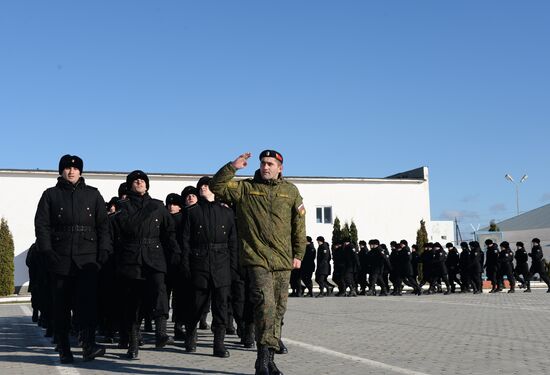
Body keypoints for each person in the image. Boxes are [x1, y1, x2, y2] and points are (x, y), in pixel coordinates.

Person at [210, 150, 306, 375]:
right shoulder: (245, 188)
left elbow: (299, 224)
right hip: (256, 258)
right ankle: (262, 362)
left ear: (280, 168)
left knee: (279, 311)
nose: (266, 167)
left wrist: (299, 254)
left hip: (283, 261)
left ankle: (268, 360)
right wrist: (232, 167)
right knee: (265, 306)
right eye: (263, 163)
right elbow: (216, 187)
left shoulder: (290, 191)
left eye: (271, 164)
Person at [35, 154, 112, 363]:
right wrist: (47, 251)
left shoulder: (93, 194)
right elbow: (41, 226)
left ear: (81, 171)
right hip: (60, 258)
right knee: (60, 307)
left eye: (75, 168)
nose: (71, 171)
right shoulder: (50, 195)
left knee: (87, 305)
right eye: (67, 168)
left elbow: (104, 226)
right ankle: (64, 348)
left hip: (87, 259)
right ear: (61, 171)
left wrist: (104, 250)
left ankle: (88, 346)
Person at [113, 170, 181, 359]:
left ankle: (161, 333)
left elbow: (169, 232)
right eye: (135, 181)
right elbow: (127, 228)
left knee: (160, 290)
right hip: (132, 258)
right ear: (130, 185)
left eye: (142, 180)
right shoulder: (123, 206)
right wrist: (146, 209)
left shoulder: (158, 206)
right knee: (133, 302)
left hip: (154, 255)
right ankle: (133, 344)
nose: (140, 183)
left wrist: (175, 252)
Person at [181, 176, 238, 358]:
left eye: (207, 185)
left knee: (221, 306)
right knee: (197, 304)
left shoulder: (227, 213)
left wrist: (233, 268)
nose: (203, 188)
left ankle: (218, 344)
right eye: (201, 186)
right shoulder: (192, 212)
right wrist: (186, 266)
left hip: (221, 264)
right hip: (199, 263)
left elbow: (233, 242)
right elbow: (185, 242)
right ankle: (191, 334)